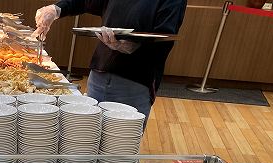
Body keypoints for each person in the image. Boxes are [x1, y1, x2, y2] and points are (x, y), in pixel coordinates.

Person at [33, 0, 187, 120]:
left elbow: (165, 39)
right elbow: (84, 1)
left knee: (120, 145)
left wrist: (133, 47)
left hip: (135, 83)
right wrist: (56, 9)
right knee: (85, 136)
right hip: (98, 74)